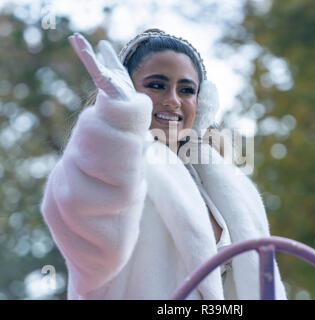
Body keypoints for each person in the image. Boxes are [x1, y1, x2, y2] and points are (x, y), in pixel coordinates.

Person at [40, 28, 287, 300]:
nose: (172, 100)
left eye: (186, 90)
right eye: (157, 85)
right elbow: (85, 214)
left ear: (202, 103)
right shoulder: (112, 169)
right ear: (127, 89)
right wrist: (117, 122)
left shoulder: (230, 187)